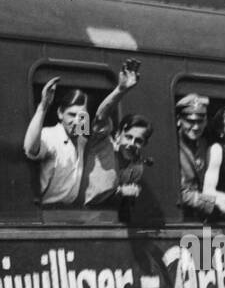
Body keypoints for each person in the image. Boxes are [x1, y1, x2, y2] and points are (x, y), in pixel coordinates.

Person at [81, 60, 142, 207]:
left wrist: (124, 192)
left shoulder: (135, 168)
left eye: (139, 141)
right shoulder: (101, 144)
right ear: (117, 135)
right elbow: (101, 117)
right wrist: (121, 90)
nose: (132, 144)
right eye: (128, 137)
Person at [24, 79, 93, 205]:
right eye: (72, 115)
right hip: (46, 210)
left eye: (82, 116)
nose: (77, 121)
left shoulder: (83, 142)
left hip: (70, 212)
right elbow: (30, 149)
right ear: (60, 113)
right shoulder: (50, 135)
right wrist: (43, 107)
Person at [176, 93, 218, 219]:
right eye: (190, 121)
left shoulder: (205, 145)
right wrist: (213, 203)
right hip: (183, 218)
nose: (196, 127)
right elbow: (178, 193)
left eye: (200, 121)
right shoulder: (173, 144)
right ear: (179, 120)